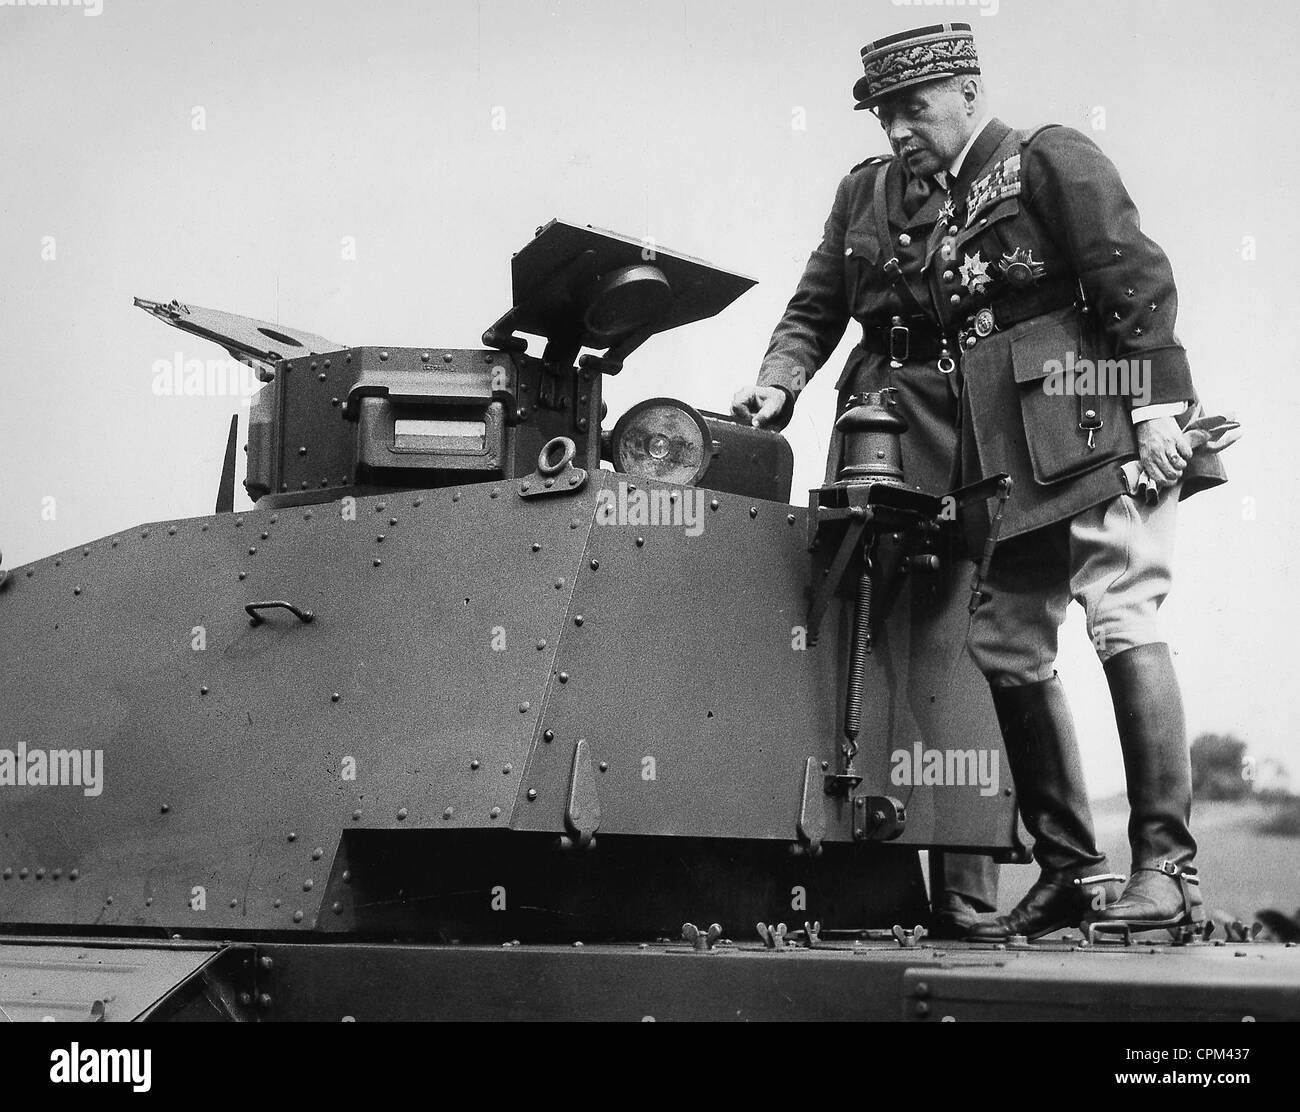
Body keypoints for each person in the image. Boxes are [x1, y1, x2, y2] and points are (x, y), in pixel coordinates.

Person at [733, 22, 1231, 942]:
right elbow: (850, 306)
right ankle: (1071, 869)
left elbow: (1132, 275)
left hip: (1086, 419)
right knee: (1005, 640)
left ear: (966, 89)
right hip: (1005, 451)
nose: (898, 131)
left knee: (1121, 611)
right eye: (886, 116)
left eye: (913, 109)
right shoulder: (927, 195)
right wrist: (784, 376)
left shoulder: (1047, 158)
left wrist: (1160, 408)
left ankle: (1167, 871)